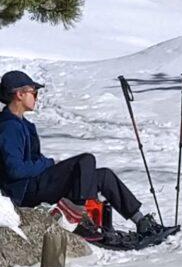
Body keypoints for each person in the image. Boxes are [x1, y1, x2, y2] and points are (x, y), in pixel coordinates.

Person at [0, 69, 162, 240]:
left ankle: (141, 221)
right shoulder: (9, 127)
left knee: (103, 175)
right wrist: (49, 164)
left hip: (35, 183)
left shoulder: (22, 124)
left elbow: (31, 160)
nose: (36, 97)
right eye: (34, 93)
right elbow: (15, 170)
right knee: (85, 160)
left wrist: (48, 164)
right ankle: (80, 219)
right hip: (24, 191)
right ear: (19, 94)